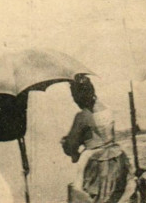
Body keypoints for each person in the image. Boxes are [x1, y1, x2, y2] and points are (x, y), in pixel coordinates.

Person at [61, 74, 132, 203]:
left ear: (78, 96)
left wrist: (65, 143)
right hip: (116, 158)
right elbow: (100, 136)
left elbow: (71, 146)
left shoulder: (82, 116)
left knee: (86, 196)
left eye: (74, 96)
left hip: (96, 163)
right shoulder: (106, 109)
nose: (74, 100)